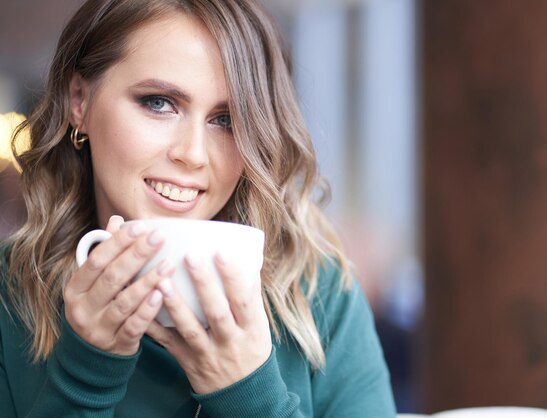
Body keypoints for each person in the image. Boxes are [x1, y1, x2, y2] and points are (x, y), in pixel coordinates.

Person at [0, 0, 396, 417]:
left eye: (226, 119)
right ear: (79, 100)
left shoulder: (319, 294)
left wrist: (251, 395)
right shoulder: (10, 293)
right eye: (158, 102)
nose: (193, 155)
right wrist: (83, 380)